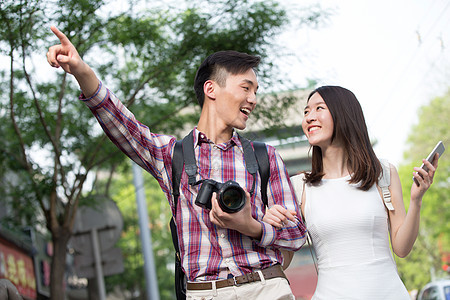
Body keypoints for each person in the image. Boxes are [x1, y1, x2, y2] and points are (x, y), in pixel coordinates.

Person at [46, 26, 307, 299]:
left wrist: (250, 225)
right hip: (205, 293)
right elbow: (121, 122)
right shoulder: (173, 157)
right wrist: (80, 70)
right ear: (211, 89)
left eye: (256, 91)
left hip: (267, 288)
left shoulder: (265, 157)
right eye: (246, 88)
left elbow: (298, 234)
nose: (253, 99)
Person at [263, 85, 440, 299]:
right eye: (306, 112)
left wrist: (416, 200)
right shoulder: (299, 186)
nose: (309, 117)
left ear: (343, 114)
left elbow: (402, 248)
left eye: (319, 108)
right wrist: (270, 225)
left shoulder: (383, 173)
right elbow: (285, 259)